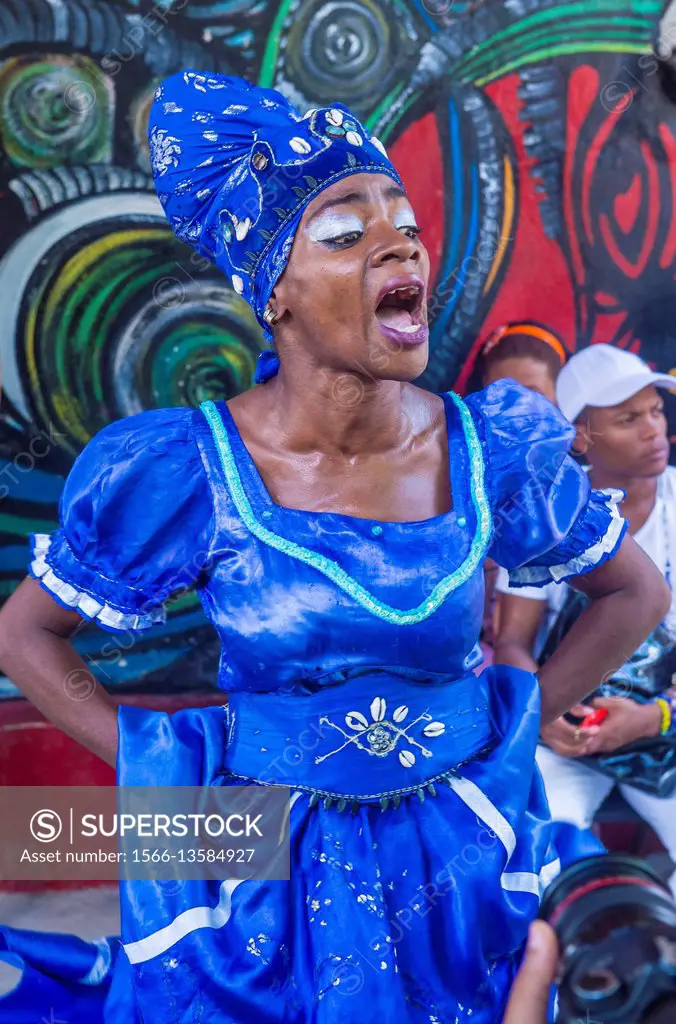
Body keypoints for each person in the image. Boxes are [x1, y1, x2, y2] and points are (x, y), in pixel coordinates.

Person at [0, 74, 669, 1024]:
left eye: (403, 222)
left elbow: (633, 594)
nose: (399, 240)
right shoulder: (186, 468)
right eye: (346, 232)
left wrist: (510, 721)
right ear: (272, 289)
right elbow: (26, 634)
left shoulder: (494, 450)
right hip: (265, 866)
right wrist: (177, 772)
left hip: (461, 846)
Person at [494, 344, 676, 891]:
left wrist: (654, 718)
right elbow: (513, 644)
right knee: (534, 861)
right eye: (628, 419)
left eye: (656, 412)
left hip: (666, 729)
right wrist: (543, 713)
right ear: (582, 437)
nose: (653, 430)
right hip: (571, 739)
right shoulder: (544, 516)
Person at [477, 322, 567, 649]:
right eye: (501, 395)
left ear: (560, 399)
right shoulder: (458, 481)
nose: (517, 409)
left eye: (534, 394)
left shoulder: (573, 491)